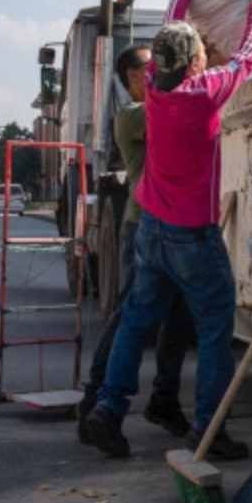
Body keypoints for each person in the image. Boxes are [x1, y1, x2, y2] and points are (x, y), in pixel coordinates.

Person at [84, 0, 252, 459]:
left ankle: (108, 408)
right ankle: (208, 431)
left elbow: (172, 18)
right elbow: (247, 56)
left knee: (136, 320)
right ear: (194, 62)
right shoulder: (204, 94)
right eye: (200, 53)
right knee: (214, 330)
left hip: (151, 230)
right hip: (192, 236)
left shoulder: (153, 85)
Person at [76, 43, 196, 444]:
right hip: (143, 225)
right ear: (133, 76)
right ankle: (95, 402)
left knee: (178, 320)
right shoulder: (131, 116)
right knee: (131, 317)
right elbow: (182, 108)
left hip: (176, 226)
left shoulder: (154, 105)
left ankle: (164, 399)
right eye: (151, 64)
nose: (161, 68)